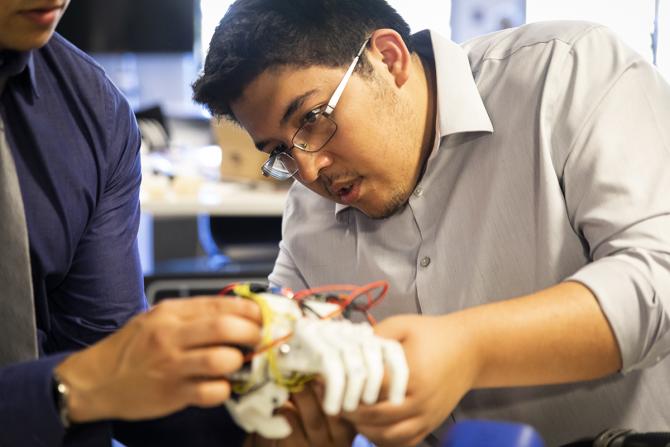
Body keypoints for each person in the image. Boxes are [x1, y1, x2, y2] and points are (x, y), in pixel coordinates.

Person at [192, 0, 670, 445]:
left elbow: (657, 279)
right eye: (279, 151)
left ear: (388, 57)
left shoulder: (568, 72)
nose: (309, 171)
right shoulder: (308, 212)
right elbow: (287, 344)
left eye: (313, 118)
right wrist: (291, 413)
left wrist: (470, 350)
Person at [0, 1, 262, 445]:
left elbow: (110, 367)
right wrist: (70, 388)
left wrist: (260, 410)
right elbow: (94, 377)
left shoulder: (92, 111)